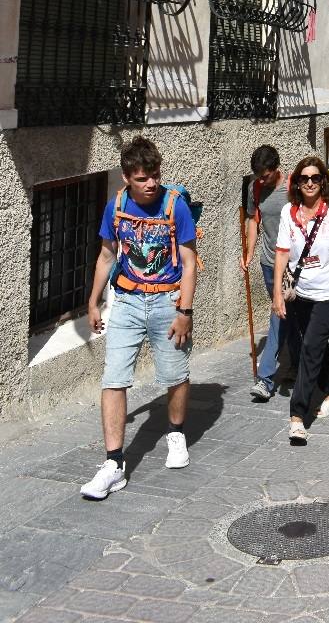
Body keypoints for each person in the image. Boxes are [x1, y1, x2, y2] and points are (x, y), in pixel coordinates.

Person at [81, 137, 197, 499]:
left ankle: (176, 432)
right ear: (127, 178)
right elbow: (105, 255)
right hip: (127, 301)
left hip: (167, 301)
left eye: (155, 176)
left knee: (174, 374)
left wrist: (185, 311)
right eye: (143, 178)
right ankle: (114, 463)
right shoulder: (115, 206)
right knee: (113, 378)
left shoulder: (175, 205)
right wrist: (93, 300)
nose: (151, 184)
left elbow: (190, 261)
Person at [272, 157, 329, 444]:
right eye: (304, 178)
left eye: (315, 178)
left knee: (310, 347)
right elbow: (281, 252)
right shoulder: (287, 212)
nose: (309, 183)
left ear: (323, 181)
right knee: (314, 345)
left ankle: (297, 416)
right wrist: (277, 293)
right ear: (296, 182)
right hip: (302, 292)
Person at [241, 145, 291, 402]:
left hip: (293, 265)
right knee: (284, 315)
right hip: (268, 262)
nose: (262, 180)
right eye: (258, 175)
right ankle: (293, 365)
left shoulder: (292, 187)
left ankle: (266, 378)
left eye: (266, 176)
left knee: (278, 314)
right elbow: (253, 220)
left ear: (277, 169)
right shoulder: (255, 188)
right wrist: (249, 252)